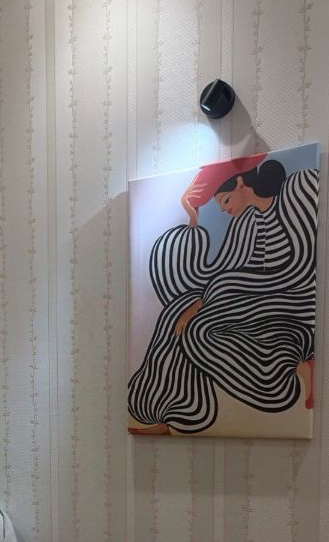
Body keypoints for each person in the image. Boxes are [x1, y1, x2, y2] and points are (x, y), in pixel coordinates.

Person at [128, 155, 318, 434]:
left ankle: (299, 367)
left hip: (288, 301)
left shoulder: (293, 197)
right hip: (250, 300)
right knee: (176, 312)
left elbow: (296, 269)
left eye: (226, 200)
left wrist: (208, 300)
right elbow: (221, 271)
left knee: (198, 328)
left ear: (241, 183)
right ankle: (171, 415)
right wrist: (192, 217)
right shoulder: (247, 222)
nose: (225, 209)